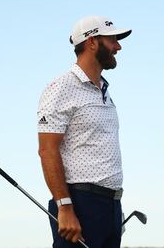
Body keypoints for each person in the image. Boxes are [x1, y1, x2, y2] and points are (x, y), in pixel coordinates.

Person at [37, 16, 132, 248]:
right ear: (92, 42)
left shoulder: (105, 91)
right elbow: (47, 150)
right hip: (79, 204)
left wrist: (114, 208)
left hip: (110, 205)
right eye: (112, 40)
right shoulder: (61, 87)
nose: (118, 47)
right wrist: (65, 206)